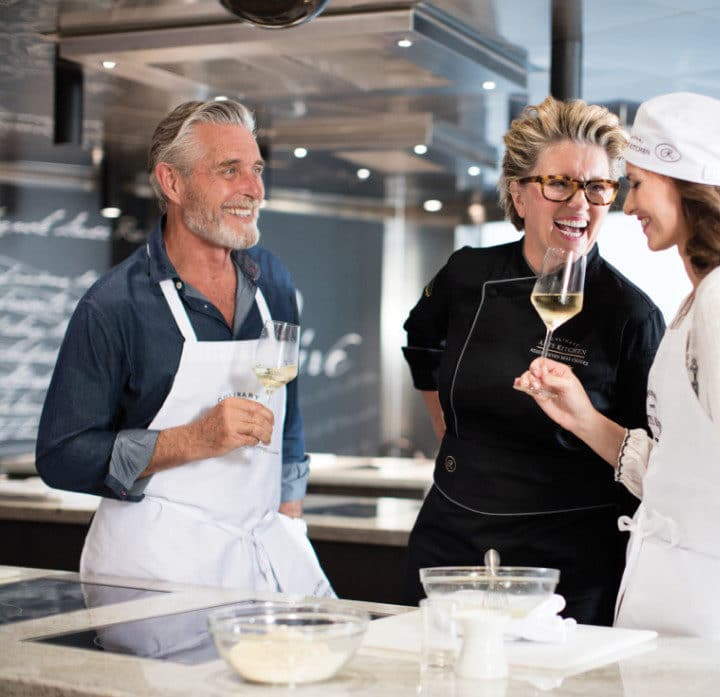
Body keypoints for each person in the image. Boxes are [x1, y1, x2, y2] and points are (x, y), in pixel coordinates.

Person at [514, 92, 720, 695]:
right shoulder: (704, 298)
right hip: (670, 596)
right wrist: (583, 418)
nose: (628, 205)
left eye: (638, 184)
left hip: (706, 609)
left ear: (687, 186)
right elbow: (687, 471)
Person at [36, 99, 332, 597]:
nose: (254, 190)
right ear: (172, 182)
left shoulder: (273, 280)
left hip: (261, 552)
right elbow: (61, 455)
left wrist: (289, 511)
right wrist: (192, 440)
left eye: (257, 170)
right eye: (230, 170)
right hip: (154, 570)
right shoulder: (113, 305)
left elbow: (289, 411)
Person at [400, 97, 666, 625]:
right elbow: (421, 342)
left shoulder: (631, 314)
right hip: (453, 541)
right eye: (559, 184)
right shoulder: (467, 275)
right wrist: (450, 434)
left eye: (597, 187)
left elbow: (650, 458)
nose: (580, 203)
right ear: (519, 194)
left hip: (569, 563)